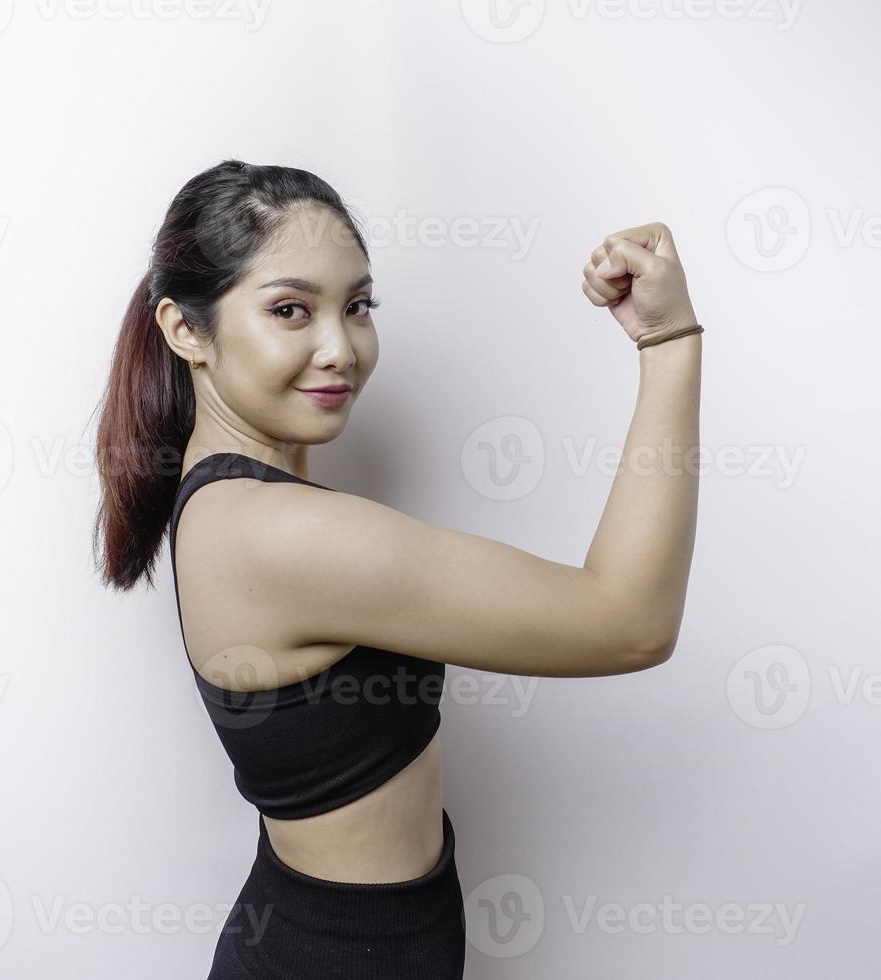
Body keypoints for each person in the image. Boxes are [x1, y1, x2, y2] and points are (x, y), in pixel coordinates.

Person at [91, 159, 702, 978]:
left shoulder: (238, 505)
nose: (339, 348)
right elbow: (631, 623)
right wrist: (670, 342)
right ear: (185, 330)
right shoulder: (279, 533)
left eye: (358, 307)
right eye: (289, 310)